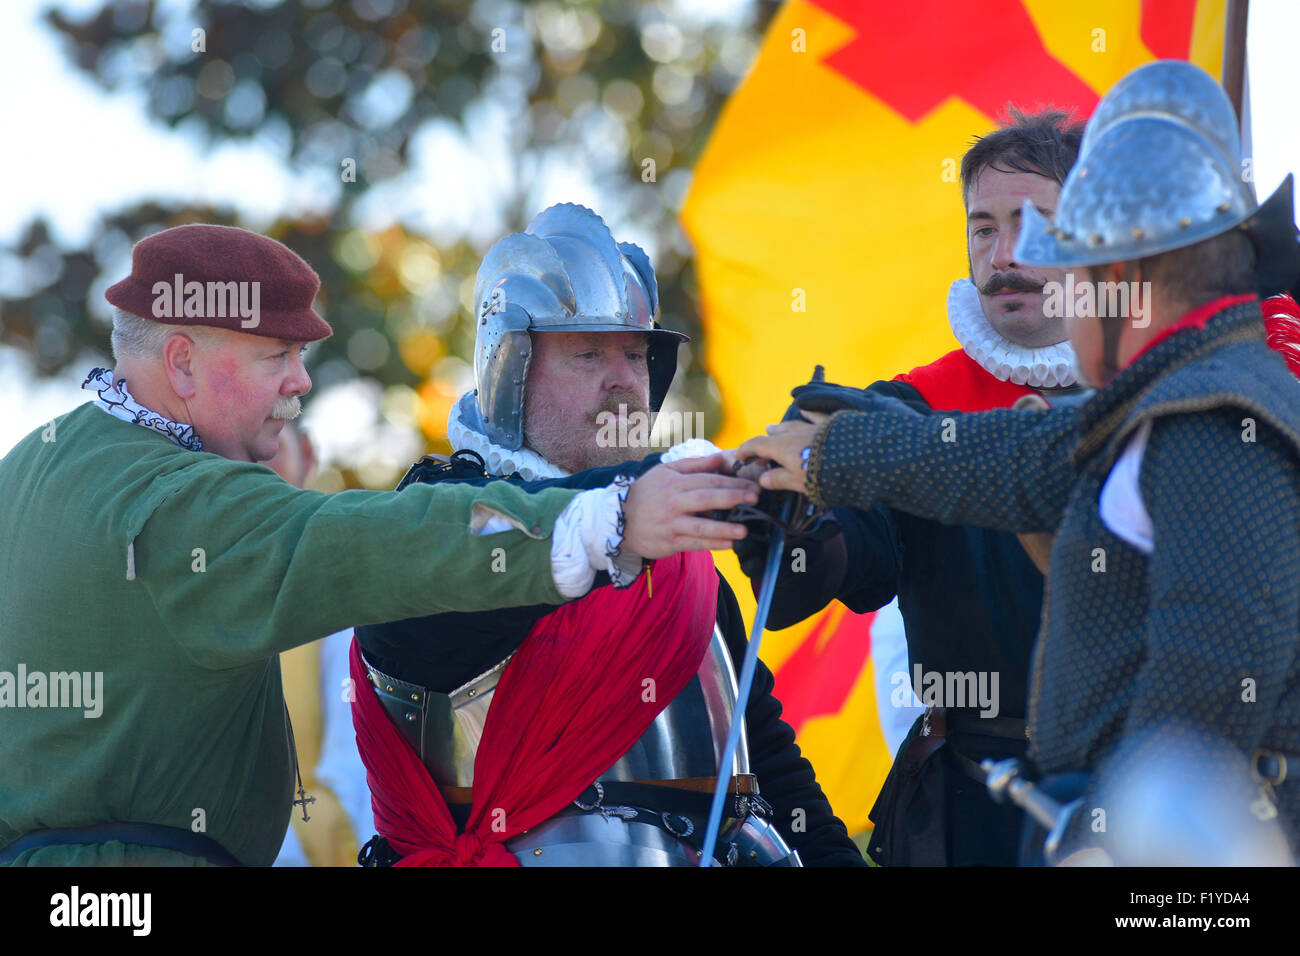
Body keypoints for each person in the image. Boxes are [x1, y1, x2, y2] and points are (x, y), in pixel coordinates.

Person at [0, 223, 758, 866]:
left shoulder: (27, 468)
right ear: (182, 362)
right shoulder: (181, 498)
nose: (300, 386)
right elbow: (364, 541)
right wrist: (608, 518)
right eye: (277, 357)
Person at [740, 60, 1300, 862]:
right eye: (986, 228)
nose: (1023, 264)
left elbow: (1213, 669)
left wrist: (1121, 823)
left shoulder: (1215, 415)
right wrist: (822, 458)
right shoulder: (1173, 399)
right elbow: (1012, 458)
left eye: (1065, 253)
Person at [352, 204, 865, 866]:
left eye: (636, 353)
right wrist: (630, 506)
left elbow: (765, 762)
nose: (623, 379)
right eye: (589, 352)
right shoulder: (440, 520)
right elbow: (467, 600)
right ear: (512, 372)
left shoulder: (682, 561)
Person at [734, 109, 1084, 866]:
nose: (1003, 255)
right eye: (983, 227)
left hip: (1150, 796)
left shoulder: (1157, 388)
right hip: (972, 806)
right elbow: (850, 561)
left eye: (1032, 223)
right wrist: (792, 517)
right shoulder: (903, 408)